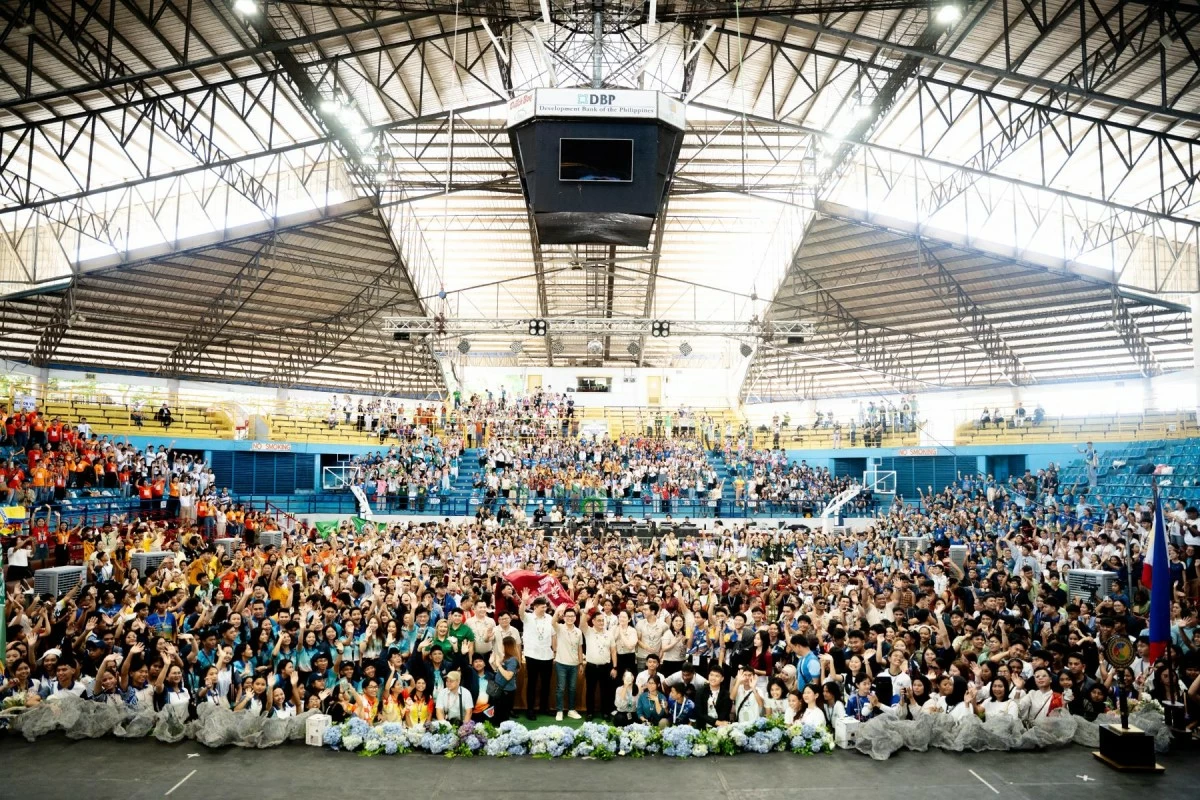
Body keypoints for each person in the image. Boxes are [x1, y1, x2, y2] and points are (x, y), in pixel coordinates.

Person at [519, 592, 555, 720]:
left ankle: (544, 708)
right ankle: (530, 709)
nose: (544, 609)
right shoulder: (528, 617)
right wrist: (524, 602)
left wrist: (554, 651)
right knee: (532, 684)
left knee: (546, 684)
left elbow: (553, 635)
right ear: (535, 607)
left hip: (547, 655)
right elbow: (521, 613)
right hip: (532, 655)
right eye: (542, 607)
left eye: (545, 607)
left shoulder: (550, 618)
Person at [552, 604, 583, 720]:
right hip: (561, 663)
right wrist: (558, 611)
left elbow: (580, 648)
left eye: (572, 616)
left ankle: (571, 710)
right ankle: (559, 710)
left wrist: (580, 664)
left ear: (575, 617)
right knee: (561, 688)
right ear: (564, 617)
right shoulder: (560, 628)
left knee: (572, 688)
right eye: (567, 616)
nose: (570, 618)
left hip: (574, 664)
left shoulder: (578, 631)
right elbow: (553, 622)